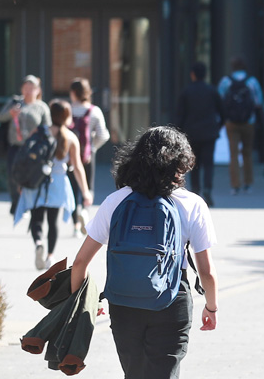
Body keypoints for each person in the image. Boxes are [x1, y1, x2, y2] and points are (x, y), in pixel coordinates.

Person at [68, 126, 219, 379]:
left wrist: (82, 302)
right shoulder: (192, 204)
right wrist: (211, 308)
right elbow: (207, 272)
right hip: (171, 300)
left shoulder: (116, 201)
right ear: (180, 163)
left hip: (123, 301)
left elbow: (80, 262)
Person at [13, 99, 92, 270]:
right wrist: (85, 191)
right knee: (53, 221)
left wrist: (22, 181)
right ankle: (50, 256)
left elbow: (26, 156)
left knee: (36, 218)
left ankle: (38, 243)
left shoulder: (40, 131)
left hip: (36, 180)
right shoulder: (71, 138)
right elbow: (77, 167)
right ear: (67, 117)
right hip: (58, 182)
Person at [0, 75, 52, 215]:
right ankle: (16, 202)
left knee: (30, 176)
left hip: (33, 149)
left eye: (32, 88)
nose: (28, 91)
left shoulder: (42, 107)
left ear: (38, 90)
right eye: (26, 88)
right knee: (12, 175)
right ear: (22, 89)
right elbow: (0, 117)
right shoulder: (15, 103)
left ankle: (28, 204)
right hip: (15, 146)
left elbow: (48, 129)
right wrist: (10, 113)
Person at [174, 62, 225, 207]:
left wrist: (180, 132)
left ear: (192, 74)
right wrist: (217, 127)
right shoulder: (212, 91)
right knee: (208, 163)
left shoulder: (186, 92)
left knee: (193, 163)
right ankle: (208, 188)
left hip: (191, 133)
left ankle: (196, 191)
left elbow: (180, 115)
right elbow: (222, 112)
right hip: (209, 132)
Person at [69, 77, 110, 234]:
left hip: (69, 157)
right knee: (88, 187)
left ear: (73, 93)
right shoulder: (94, 111)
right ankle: (85, 211)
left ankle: (75, 226)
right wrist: (92, 147)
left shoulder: (68, 109)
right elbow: (103, 135)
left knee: (72, 189)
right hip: (87, 155)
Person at [218, 57, 264, 196]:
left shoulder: (226, 81)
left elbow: (220, 99)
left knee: (233, 154)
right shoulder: (252, 81)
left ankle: (235, 185)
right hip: (248, 121)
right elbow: (258, 101)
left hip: (231, 122)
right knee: (247, 153)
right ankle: (248, 184)